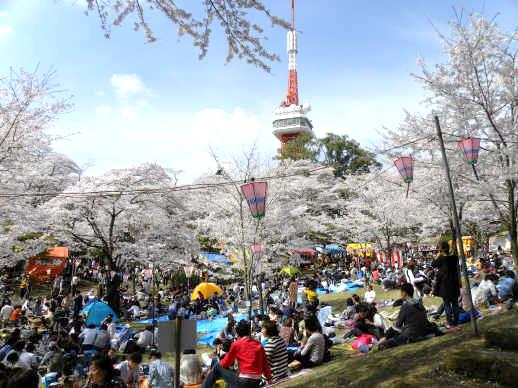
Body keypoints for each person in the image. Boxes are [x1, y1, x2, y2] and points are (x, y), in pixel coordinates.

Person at [202, 319, 271, 388]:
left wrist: (220, 361)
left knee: (217, 366)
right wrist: (269, 379)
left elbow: (226, 363)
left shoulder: (236, 344)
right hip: (256, 383)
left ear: (237, 333)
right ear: (249, 332)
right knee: (233, 378)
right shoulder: (259, 345)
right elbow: (265, 365)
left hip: (243, 383)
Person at [379, 283, 431, 350]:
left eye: (401, 292)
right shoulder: (420, 303)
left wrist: (386, 336)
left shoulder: (406, 306)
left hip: (412, 335)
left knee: (384, 344)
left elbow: (397, 326)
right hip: (424, 331)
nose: (400, 294)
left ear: (404, 293)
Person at [432, 242, 461, 328]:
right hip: (454, 283)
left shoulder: (441, 259)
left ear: (441, 249)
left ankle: (450, 322)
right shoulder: (454, 258)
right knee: (455, 303)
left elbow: (433, 264)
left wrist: (438, 255)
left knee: (447, 304)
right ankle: (456, 321)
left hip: (445, 285)